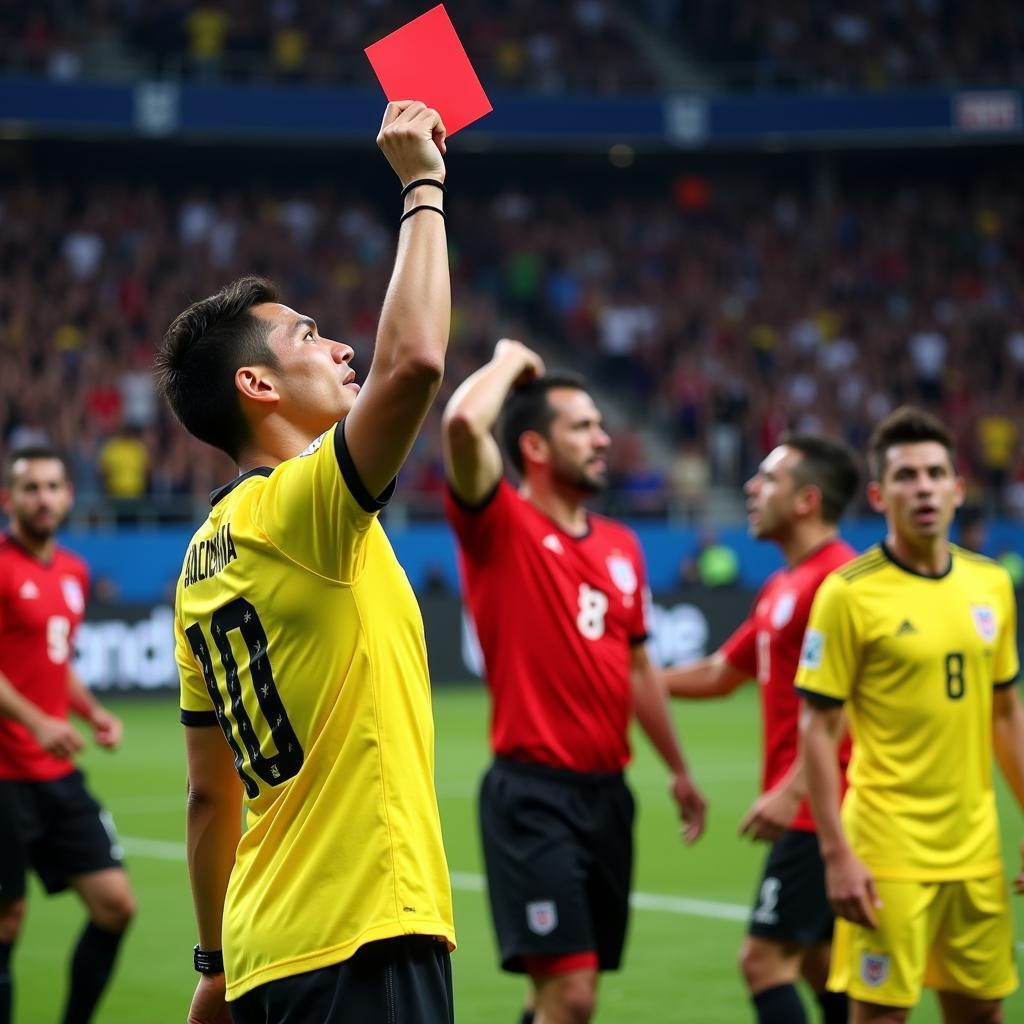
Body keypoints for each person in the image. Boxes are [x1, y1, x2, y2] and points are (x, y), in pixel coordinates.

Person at [153, 101, 456, 1024]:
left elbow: (210, 798)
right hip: (363, 936)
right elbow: (412, 363)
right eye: (309, 335)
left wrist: (213, 964)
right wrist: (422, 187)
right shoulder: (302, 509)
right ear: (258, 386)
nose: (339, 345)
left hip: (264, 954)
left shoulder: (198, 565)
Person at [442, 339, 707, 1024]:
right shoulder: (501, 525)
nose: (603, 438)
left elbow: (639, 666)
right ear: (534, 446)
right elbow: (464, 426)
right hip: (533, 796)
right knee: (573, 994)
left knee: (557, 998)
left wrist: (678, 768)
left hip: (608, 797)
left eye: (601, 424)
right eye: (583, 427)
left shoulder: (623, 545)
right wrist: (507, 361)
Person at [797, 406, 1024, 1024]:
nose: (922, 487)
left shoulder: (991, 585)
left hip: (976, 851)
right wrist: (836, 854)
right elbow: (816, 728)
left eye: (934, 473)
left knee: (982, 1013)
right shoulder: (848, 593)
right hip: (885, 852)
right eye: (905, 476)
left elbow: (1005, 714)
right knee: (880, 1017)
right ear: (879, 494)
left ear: (957, 488)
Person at [664, 436, 860, 1024]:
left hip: (827, 805)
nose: (751, 488)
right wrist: (625, 680)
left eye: (767, 479)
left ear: (806, 500)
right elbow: (724, 671)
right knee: (819, 963)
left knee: (764, 961)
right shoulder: (784, 585)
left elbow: (854, 697)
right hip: (811, 806)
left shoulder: (840, 582)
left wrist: (795, 789)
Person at [0, 446, 136, 1024]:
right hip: (4, 776)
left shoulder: (75, 572)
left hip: (55, 774)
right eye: (30, 488)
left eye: (53, 486)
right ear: (9, 500)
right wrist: (36, 720)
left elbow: (56, 662)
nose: (43, 498)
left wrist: (91, 711)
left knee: (116, 906)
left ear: (68, 496)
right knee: (7, 922)